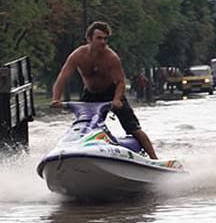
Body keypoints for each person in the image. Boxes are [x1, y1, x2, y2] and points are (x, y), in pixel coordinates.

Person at [51, 21, 158, 159]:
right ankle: (78, 153)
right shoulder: (78, 55)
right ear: (89, 39)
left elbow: (120, 82)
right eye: (99, 38)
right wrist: (56, 98)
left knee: (134, 129)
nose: (103, 42)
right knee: (83, 127)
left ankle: (154, 159)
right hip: (90, 94)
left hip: (112, 93)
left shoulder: (111, 58)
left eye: (105, 39)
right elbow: (63, 77)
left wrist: (117, 99)